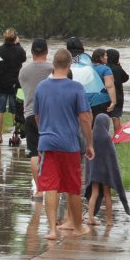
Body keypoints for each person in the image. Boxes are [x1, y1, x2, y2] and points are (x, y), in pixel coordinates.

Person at [34, 49, 95, 240]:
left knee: (50, 186)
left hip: (47, 142)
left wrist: (43, 131)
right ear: (69, 65)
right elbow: (84, 118)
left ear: (53, 64)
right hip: (69, 143)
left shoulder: (41, 87)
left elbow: (37, 116)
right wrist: (90, 143)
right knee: (72, 187)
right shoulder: (76, 88)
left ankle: (52, 230)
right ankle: (77, 227)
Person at [18, 38, 52, 199]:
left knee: (34, 152)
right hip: (50, 115)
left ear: (32, 53)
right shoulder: (52, 69)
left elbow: (24, 90)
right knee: (51, 152)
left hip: (30, 114)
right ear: (46, 51)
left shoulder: (24, 71)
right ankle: (53, 186)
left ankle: (39, 189)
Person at [84, 113, 129, 226]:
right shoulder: (107, 138)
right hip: (106, 172)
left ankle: (90, 218)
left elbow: (88, 156)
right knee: (107, 194)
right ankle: (109, 221)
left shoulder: (92, 136)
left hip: (94, 172)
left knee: (94, 193)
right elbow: (112, 157)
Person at [0, 29, 26, 144]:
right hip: (16, 85)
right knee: (15, 110)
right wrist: (18, 44)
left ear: (4, 38)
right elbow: (24, 59)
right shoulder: (20, 50)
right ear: (15, 38)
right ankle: (15, 135)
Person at [87, 48, 117, 118]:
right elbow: (109, 86)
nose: (107, 57)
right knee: (101, 123)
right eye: (105, 55)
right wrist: (113, 102)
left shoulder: (87, 68)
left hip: (87, 100)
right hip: (101, 100)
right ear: (101, 57)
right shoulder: (105, 69)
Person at [106, 48, 130, 131]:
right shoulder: (118, 69)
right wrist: (119, 66)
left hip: (106, 95)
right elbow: (126, 78)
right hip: (118, 97)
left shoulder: (104, 68)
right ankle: (117, 138)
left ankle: (105, 135)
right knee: (116, 117)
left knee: (104, 116)